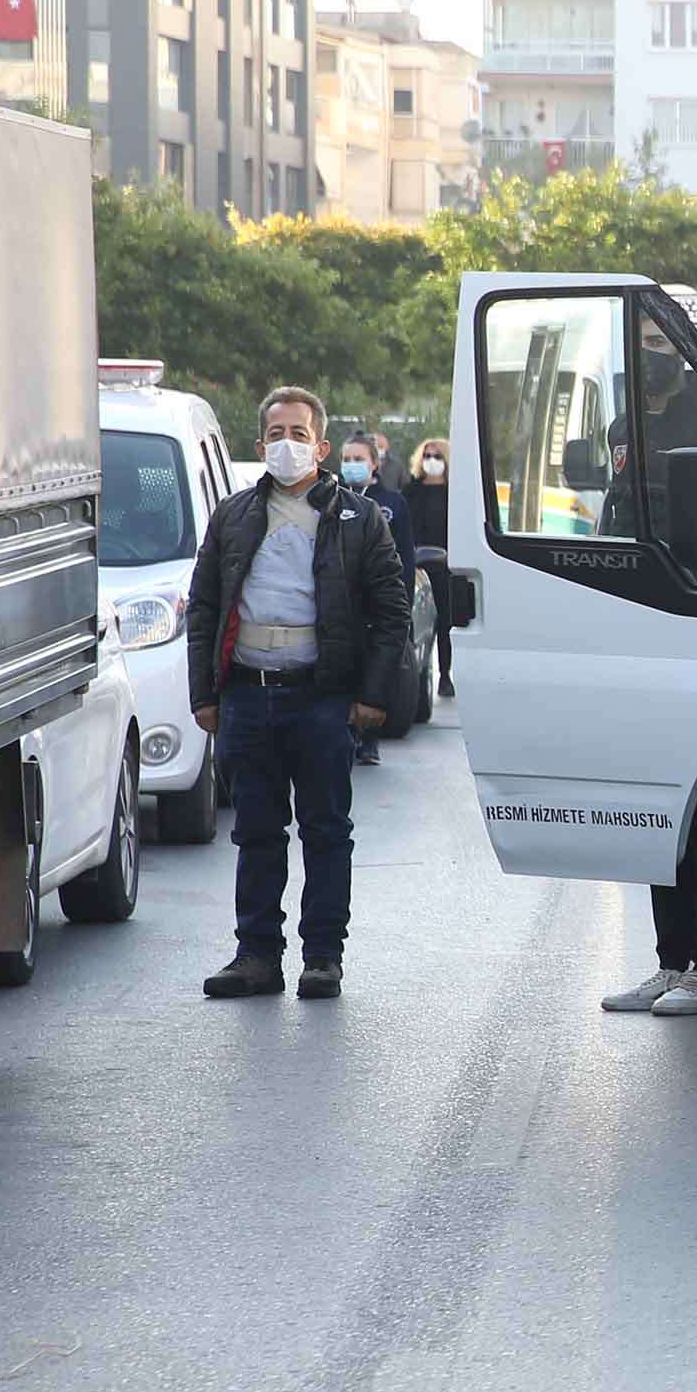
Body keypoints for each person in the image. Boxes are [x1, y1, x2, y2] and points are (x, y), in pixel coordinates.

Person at [186, 386, 409, 1001]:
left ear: (323, 445)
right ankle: (256, 955)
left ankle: (322, 957)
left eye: (299, 434)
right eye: (277, 434)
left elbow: (392, 612)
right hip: (247, 700)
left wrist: (371, 697)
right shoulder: (232, 516)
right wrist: (205, 694)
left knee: (326, 831)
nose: (287, 445)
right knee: (256, 831)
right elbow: (204, 607)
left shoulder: (358, 520)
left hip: (320, 698)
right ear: (259, 446)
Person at [601, 339, 697, 1018]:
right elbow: (616, 507)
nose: (650, 357)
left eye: (661, 345)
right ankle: (671, 960)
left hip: (696, 611)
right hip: (635, 615)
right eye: (644, 345)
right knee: (662, 802)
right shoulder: (623, 419)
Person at [338, 433, 415, 767]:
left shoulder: (393, 503)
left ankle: (369, 739)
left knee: (374, 667)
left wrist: (403, 601)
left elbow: (406, 556)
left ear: (374, 463)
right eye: (347, 459)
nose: (352, 465)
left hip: (377, 599)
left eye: (359, 459)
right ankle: (343, 735)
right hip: (341, 599)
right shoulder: (331, 499)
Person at [404, 436, 454, 699]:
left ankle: (446, 676)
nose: (431, 461)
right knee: (420, 623)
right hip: (418, 565)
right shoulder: (410, 491)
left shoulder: (455, 493)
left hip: (447, 565)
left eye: (437, 456)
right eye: (427, 456)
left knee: (447, 623)